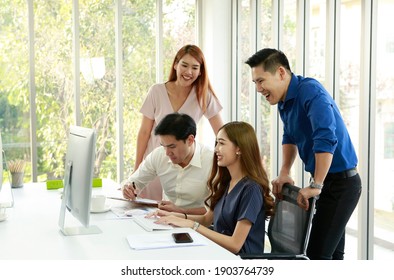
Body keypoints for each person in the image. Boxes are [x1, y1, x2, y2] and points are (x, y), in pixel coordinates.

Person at [245, 48, 362, 260]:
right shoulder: (284, 101)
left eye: (261, 81)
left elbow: (326, 138)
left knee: (316, 256)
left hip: (342, 185)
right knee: (332, 255)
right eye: (255, 83)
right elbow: (289, 135)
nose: (258, 88)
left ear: (281, 73)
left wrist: (316, 185)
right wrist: (284, 171)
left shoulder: (311, 92)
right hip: (326, 182)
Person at [149, 121, 275, 255]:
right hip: (217, 252)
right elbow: (206, 220)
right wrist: (173, 216)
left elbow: (235, 245)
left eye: (221, 143)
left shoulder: (251, 189)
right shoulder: (227, 183)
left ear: (239, 148)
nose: (216, 149)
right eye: (216, 143)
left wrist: (192, 225)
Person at [134, 44, 224, 200]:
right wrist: (137, 168)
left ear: (200, 71)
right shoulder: (156, 91)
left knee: (175, 215)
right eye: (184, 65)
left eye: (195, 67)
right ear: (175, 64)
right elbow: (144, 133)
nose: (189, 72)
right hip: (155, 164)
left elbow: (222, 133)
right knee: (147, 213)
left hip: (184, 167)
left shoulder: (204, 96)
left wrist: (223, 164)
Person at [122, 113, 213, 215]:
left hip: (198, 225)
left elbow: (217, 210)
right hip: (165, 221)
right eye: (163, 146)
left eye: (172, 146)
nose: (167, 152)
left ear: (190, 140)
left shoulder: (211, 161)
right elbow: (134, 182)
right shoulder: (159, 154)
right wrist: (127, 189)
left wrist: (183, 212)